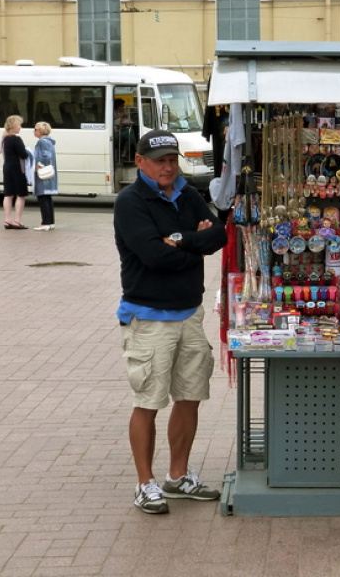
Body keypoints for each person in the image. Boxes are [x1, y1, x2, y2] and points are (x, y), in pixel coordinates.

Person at [113, 129, 229, 514]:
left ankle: (177, 477)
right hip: (149, 319)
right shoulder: (130, 202)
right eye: (159, 160)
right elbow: (153, 257)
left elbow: (219, 235)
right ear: (140, 162)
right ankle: (144, 483)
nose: (167, 166)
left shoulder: (187, 193)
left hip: (189, 314)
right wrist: (192, 244)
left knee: (190, 396)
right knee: (148, 400)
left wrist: (178, 241)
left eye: (172, 159)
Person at [0, 115, 29, 229]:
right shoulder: (16, 139)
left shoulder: (5, 139)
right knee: (20, 195)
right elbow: (23, 154)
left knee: (8, 194)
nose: (20, 127)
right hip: (17, 168)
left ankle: (7, 220)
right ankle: (18, 220)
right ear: (13, 126)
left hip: (7, 167)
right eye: (19, 125)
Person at [32, 121, 58, 231]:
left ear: (41, 131)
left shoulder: (42, 142)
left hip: (44, 173)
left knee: (43, 197)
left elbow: (46, 155)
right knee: (47, 197)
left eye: (36, 129)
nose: (34, 131)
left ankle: (45, 222)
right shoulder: (49, 141)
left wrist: (39, 165)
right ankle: (50, 222)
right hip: (49, 173)